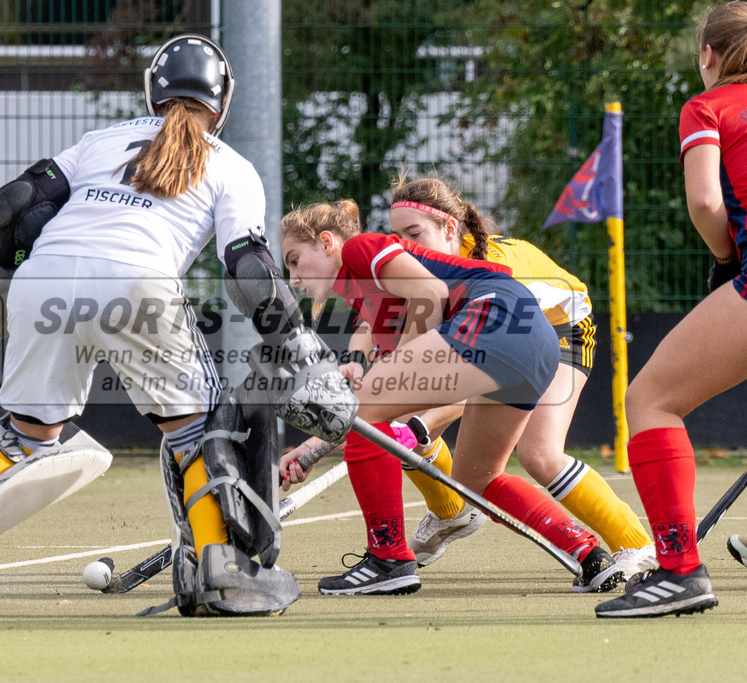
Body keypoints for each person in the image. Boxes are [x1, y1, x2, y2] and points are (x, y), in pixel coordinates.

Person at [0, 34, 355, 617]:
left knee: (25, 435)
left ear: (152, 91)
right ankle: (222, 570)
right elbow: (248, 268)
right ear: (223, 105)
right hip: (138, 285)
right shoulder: (231, 166)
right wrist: (300, 347)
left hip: (43, 282)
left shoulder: (100, 141)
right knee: (197, 430)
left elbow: (17, 204)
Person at [278, 199, 625, 596]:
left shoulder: (361, 249)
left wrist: (394, 367)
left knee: (364, 413)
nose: (293, 279)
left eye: (294, 260)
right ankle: (587, 552)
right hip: (536, 340)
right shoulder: (371, 299)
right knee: (478, 478)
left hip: (494, 314)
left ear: (326, 243)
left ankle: (388, 559)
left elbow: (430, 291)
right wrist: (310, 449)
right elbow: (370, 404)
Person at [384, 174, 655, 580]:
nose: (404, 245)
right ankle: (451, 514)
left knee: (540, 453)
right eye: (395, 235)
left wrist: (421, 422)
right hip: (513, 344)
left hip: (564, 331)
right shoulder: (428, 277)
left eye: (414, 233)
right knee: (472, 477)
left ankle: (636, 545)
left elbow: (474, 378)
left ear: (450, 229)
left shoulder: (490, 276)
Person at [595, 2, 747, 618]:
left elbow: (707, 201)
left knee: (650, 400)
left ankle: (680, 571)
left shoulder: (707, 107)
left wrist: (727, 255)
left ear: (708, 54)